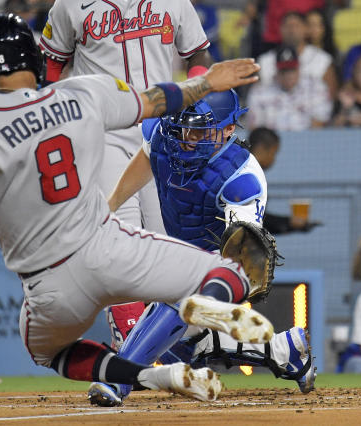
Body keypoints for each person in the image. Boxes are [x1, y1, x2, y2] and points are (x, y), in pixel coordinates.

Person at [0, 13, 275, 402]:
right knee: (229, 270)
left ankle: (150, 376)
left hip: (49, 283)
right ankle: (205, 309)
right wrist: (208, 82)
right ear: (35, 59)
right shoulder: (83, 93)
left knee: (50, 353)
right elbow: (158, 101)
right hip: (109, 246)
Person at [85, 90, 315, 407]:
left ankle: (117, 379)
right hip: (179, 249)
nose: (188, 139)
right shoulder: (163, 134)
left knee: (178, 297)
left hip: (219, 266)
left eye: (199, 130)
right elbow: (148, 156)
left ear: (228, 130)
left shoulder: (241, 178)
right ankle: (282, 351)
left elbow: (242, 259)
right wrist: (110, 206)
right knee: (185, 346)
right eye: (184, 128)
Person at [39, 0, 213, 352]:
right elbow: (51, 66)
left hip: (162, 133)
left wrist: (191, 92)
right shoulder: (70, 5)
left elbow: (198, 56)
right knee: (119, 241)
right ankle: (129, 342)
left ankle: (174, 345)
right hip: (102, 134)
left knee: (169, 244)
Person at [248, 127, 320, 235]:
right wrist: (289, 222)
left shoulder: (243, 169)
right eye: (274, 152)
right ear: (262, 148)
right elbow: (252, 219)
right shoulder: (248, 175)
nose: (274, 159)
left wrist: (290, 223)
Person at [247, 45, 332, 131]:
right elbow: (255, 129)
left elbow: (321, 123)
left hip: (307, 141)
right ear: (276, 71)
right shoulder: (260, 92)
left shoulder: (316, 88)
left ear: (299, 70)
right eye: (284, 71)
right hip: (272, 142)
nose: (288, 76)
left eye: (292, 70)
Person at [256, 11, 338, 99]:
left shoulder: (323, 60)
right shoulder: (265, 61)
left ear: (306, 29)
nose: (292, 30)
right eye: (287, 26)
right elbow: (256, 94)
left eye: (296, 26)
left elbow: (332, 96)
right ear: (280, 29)